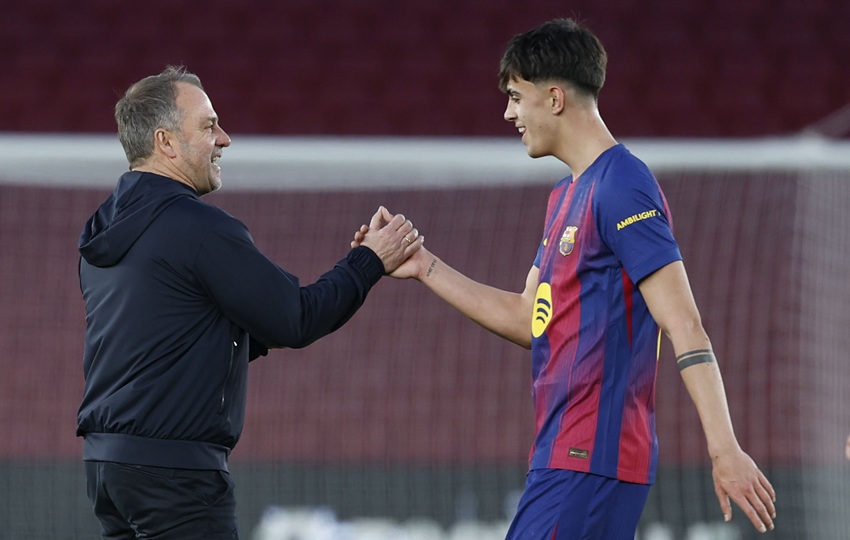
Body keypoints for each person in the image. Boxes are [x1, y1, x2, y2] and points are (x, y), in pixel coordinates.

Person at [355, 18, 776, 538]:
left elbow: (685, 325)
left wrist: (724, 448)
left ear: (554, 98)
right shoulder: (565, 196)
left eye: (515, 95)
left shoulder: (623, 184)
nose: (508, 111)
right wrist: (425, 266)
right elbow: (531, 320)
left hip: (593, 455)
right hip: (564, 454)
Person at [76, 66, 422, 540]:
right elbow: (295, 319)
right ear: (166, 142)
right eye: (208, 125)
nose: (225, 138)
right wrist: (369, 261)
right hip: (177, 477)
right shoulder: (199, 229)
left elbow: (184, 335)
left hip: (107, 472)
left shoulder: (99, 233)